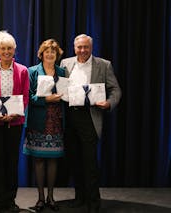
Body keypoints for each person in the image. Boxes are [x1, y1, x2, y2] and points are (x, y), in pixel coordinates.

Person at [60, 34, 122, 213]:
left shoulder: (104, 64)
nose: (82, 50)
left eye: (86, 47)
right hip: (69, 116)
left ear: (91, 47)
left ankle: (93, 202)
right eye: (79, 47)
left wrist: (109, 103)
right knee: (75, 161)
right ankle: (80, 198)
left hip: (90, 117)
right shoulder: (66, 63)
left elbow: (116, 89)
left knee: (90, 163)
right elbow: (61, 86)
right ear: (74, 47)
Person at [0, 31, 29, 213]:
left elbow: (25, 97)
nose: (6, 51)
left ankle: (10, 201)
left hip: (14, 123)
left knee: (11, 162)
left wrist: (15, 114)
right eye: (3, 48)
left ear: (14, 50)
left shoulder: (22, 70)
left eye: (9, 48)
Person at [23, 39, 66, 212]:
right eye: (47, 51)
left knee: (53, 159)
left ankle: (51, 197)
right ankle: (40, 198)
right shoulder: (32, 71)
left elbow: (67, 93)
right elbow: (28, 96)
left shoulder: (62, 71)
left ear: (57, 55)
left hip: (56, 121)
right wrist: (45, 99)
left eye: (53, 52)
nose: (50, 54)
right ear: (41, 54)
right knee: (39, 160)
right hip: (38, 121)